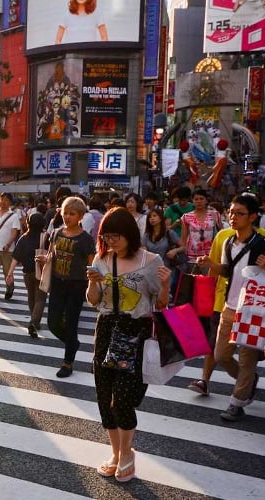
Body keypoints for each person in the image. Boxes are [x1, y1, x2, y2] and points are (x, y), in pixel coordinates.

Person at [86, 207, 171, 483]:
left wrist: (166, 285)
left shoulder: (150, 260)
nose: (111, 242)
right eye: (107, 236)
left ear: (130, 235)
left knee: (122, 397)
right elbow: (93, 300)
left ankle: (126, 453)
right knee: (104, 396)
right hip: (107, 329)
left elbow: (160, 303)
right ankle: (115, 452)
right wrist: (93, 284)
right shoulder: (102, 258)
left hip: (136, 330)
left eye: (116, 237)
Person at [195, 194, 265, 421]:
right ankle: (249, 382)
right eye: (231, 212)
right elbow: (227, 270)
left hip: (254, 310)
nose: (233, 217)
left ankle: (237, 402)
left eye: (239, 213)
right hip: (230, 306)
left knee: (247, 360)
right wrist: (211, 265)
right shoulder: (227, 241)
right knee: (221, 354)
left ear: (253, 217)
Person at [38, 196, 95, 378]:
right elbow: (51, 254)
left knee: (71, 323)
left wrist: (94, 284)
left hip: (76, 285)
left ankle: (67, 362)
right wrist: (45, 259)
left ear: (80, 216)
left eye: (72, 213)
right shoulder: (56, 232)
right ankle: (72, 343)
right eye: (65, 213)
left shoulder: (85, 239)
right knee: (53, 323)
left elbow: (91, 264)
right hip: (57, 282)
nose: (67, 217)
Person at [6, 213, 47, 338]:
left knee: (31, 296)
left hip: (27, 272)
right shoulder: (46, 237)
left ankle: (34, 321)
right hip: (41, 271)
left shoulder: (23, 238)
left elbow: (16, 257)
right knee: (40, 298)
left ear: (28, 223)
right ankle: (34, 322)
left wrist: (10, 273)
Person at [179, 189, 222, 268]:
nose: (199, 201)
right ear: (193, 201)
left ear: (206, 200)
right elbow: (183, 239)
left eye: (201, 199)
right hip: (192, 256)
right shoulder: (186, 217)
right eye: (196, 199)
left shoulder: (215, 215)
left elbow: (221, 235)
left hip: (211, 255)